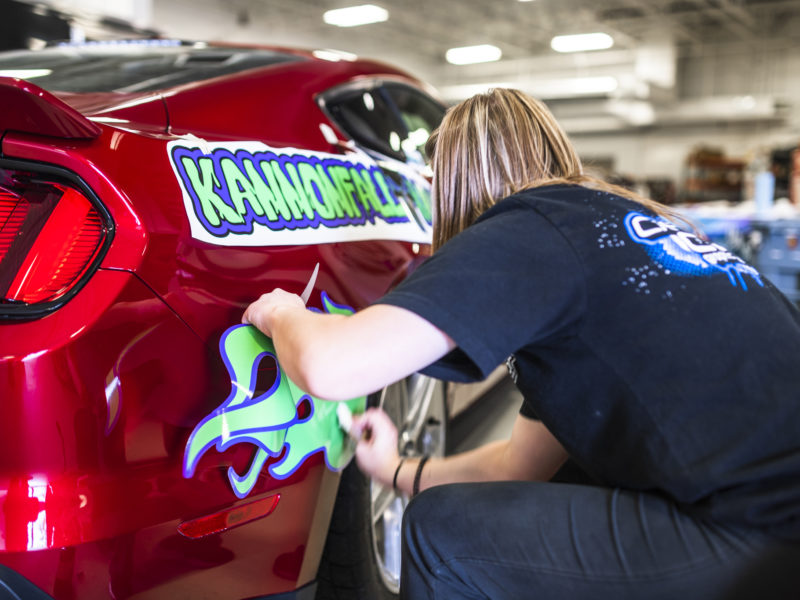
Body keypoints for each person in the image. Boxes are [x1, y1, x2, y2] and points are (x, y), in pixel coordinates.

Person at [242, 88, 800, 600]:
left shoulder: (529, 226)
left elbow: (330, 366)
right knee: (571, 472)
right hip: (772, 512)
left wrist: (285, 313)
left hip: (763, 528)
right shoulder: (621, 225)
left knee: (442, 530)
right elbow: (520, 466)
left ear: (456, 179)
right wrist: (395, 469)